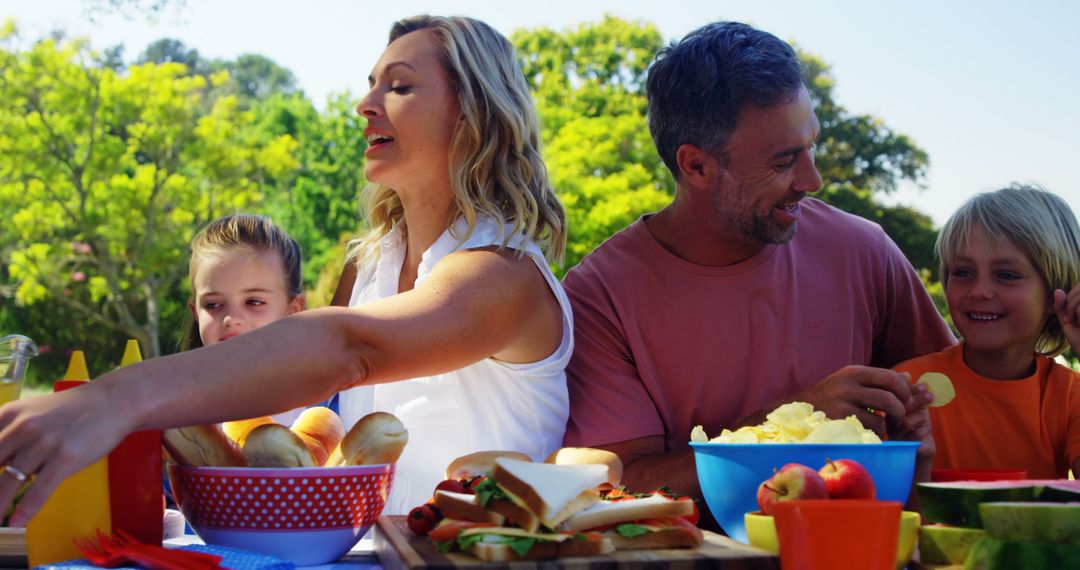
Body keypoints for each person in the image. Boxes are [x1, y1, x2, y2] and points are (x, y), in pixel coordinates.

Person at [0, 15, 571, 525]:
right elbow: (301, 376)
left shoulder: (505, 273)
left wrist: (114, 399)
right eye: (370, 84)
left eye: (398, 86)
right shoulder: (369, 265)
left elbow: (343, 350)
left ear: (473, 116)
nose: (365, 104)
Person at [560, 20, 955, 524]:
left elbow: (959, 408)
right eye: (785, 160)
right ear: (696, 166)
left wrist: (916, 437)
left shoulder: (864, 249)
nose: (813, 180)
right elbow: (623, 487)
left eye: (812, 145)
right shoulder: (599, 296)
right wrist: (792, 423)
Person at [894, 185, 1080, 479]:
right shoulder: (908, 388)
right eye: (963, 272)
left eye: (1006, 275)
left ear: (1056, 293)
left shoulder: (1069, 395)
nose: (979, 291)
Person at [182, 213, 311, 425]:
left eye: (254, 302)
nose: (231, 319)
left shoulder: (323, 407)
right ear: (195, 312)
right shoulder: (178, 416)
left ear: (293, 310)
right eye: (213, 305)